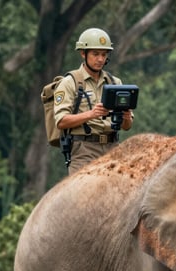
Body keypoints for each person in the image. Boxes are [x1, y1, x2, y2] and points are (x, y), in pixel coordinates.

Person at [53, 27, 134, 173]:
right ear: (83, 53)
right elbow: (61, 121)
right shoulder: (70, 82)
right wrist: (91, 114)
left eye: (104, 54)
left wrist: (126, 118)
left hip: (113, 148)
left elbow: (127, 126)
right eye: (95, 54)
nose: (100, 59)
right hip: (83, 150)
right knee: (83, 195)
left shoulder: (115, 83)